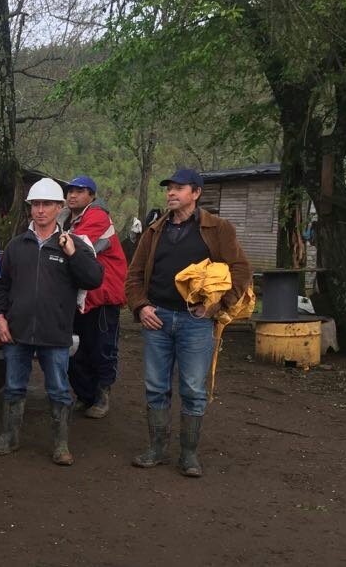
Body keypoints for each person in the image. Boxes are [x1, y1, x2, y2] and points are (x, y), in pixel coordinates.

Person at [125, 169, 251, 477]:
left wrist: (217, 306)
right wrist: (141, 306)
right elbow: (134, 276)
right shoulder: (154, 230)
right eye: (169, 188)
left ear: (195, 193)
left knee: (193, 388)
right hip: (157, 319)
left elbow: (241, 270)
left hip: (196, 322)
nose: (171, 192)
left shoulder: (218, 228)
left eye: (179, 188)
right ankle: (156, 449)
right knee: (155, 387)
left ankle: (189, 455)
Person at [0, 178, 103, 465]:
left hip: (55, 332)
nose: (40, 210)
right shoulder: (17, 246)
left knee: (59, 390)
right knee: (13, 386)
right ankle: (9, 438)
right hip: (18, 330)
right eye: (36, 204)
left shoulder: (72, 245)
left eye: (47, 204)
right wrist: (0, 318)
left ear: (59, 207)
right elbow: (1, 286)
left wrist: (73, 254)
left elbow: (94, 279)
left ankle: (61, 446)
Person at [59, 176, 128, 418]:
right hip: (79, 296)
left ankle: (101, 396)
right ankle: (84, 395)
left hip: (102, 295)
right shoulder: (66, 218)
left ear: (91, 195)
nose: (72, 195)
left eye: (80, 191)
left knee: (102, 347)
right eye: (70, 191)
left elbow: (75, 245)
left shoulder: (97, 216)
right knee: (76, 347)